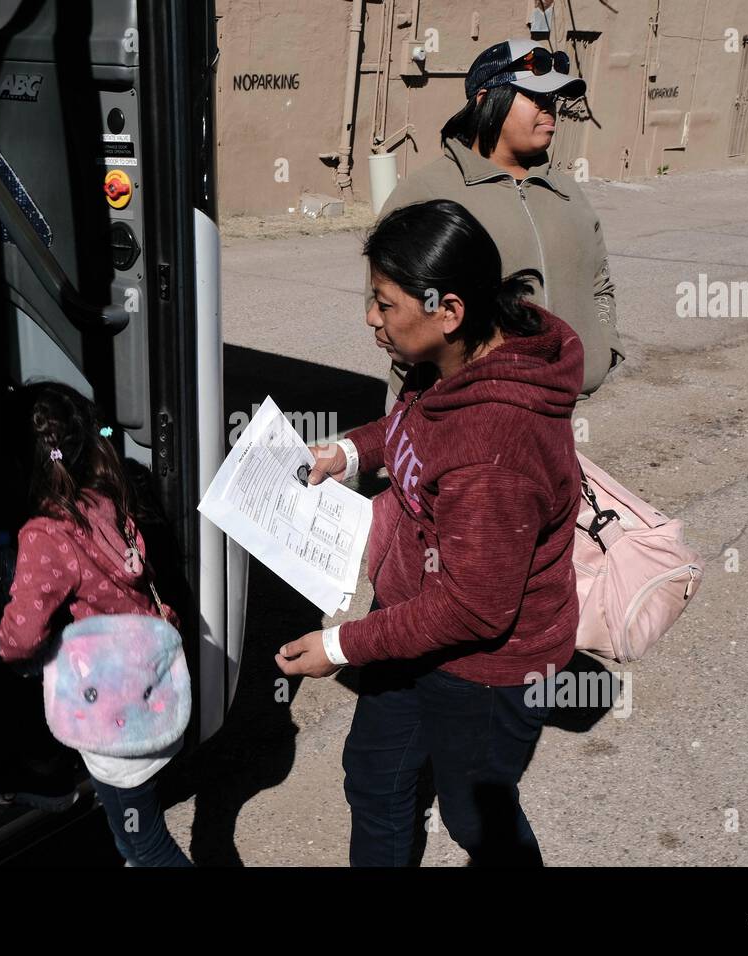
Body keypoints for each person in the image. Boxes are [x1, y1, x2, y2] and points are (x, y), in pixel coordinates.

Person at [277, 199, 582, 866]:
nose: (371, 318)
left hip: (484, 668)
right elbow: (413, 426)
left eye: (385, 304)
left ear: (449, 311)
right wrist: (353, 453)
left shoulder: (493, 450)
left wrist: (342, 645)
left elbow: (474, 607)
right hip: (416, 625)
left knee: (478, 821)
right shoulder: (451, 362)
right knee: (377, 780)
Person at [0, 381, 192, 867]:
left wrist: (9, 651)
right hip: (149, 689)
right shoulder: (108, 495)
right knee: (133, 834)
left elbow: (20, 637)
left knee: (145, 844)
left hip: (112, 717)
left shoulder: (46, 534)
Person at [373, 37, 624, 412]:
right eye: (534, 98)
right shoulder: (426, 192)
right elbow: (389, 307)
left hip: (553, 412)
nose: (549, 110)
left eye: (553, 100)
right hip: (451, 415)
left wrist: (602, 347)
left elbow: (599, 283)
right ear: (485, 99)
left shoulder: (568, 193)